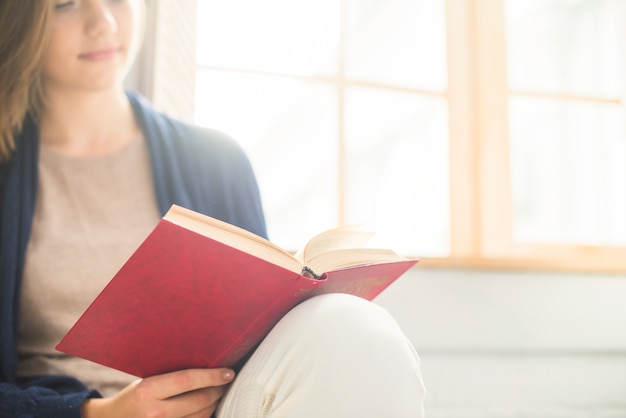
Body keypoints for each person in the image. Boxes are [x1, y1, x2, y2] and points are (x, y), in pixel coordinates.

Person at [0, 1, 426, 417]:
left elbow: (266, 332)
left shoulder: (216, 161)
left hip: (221, 405)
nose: (103, 22)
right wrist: (101, 412)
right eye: (64, 5)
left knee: (352, 324)